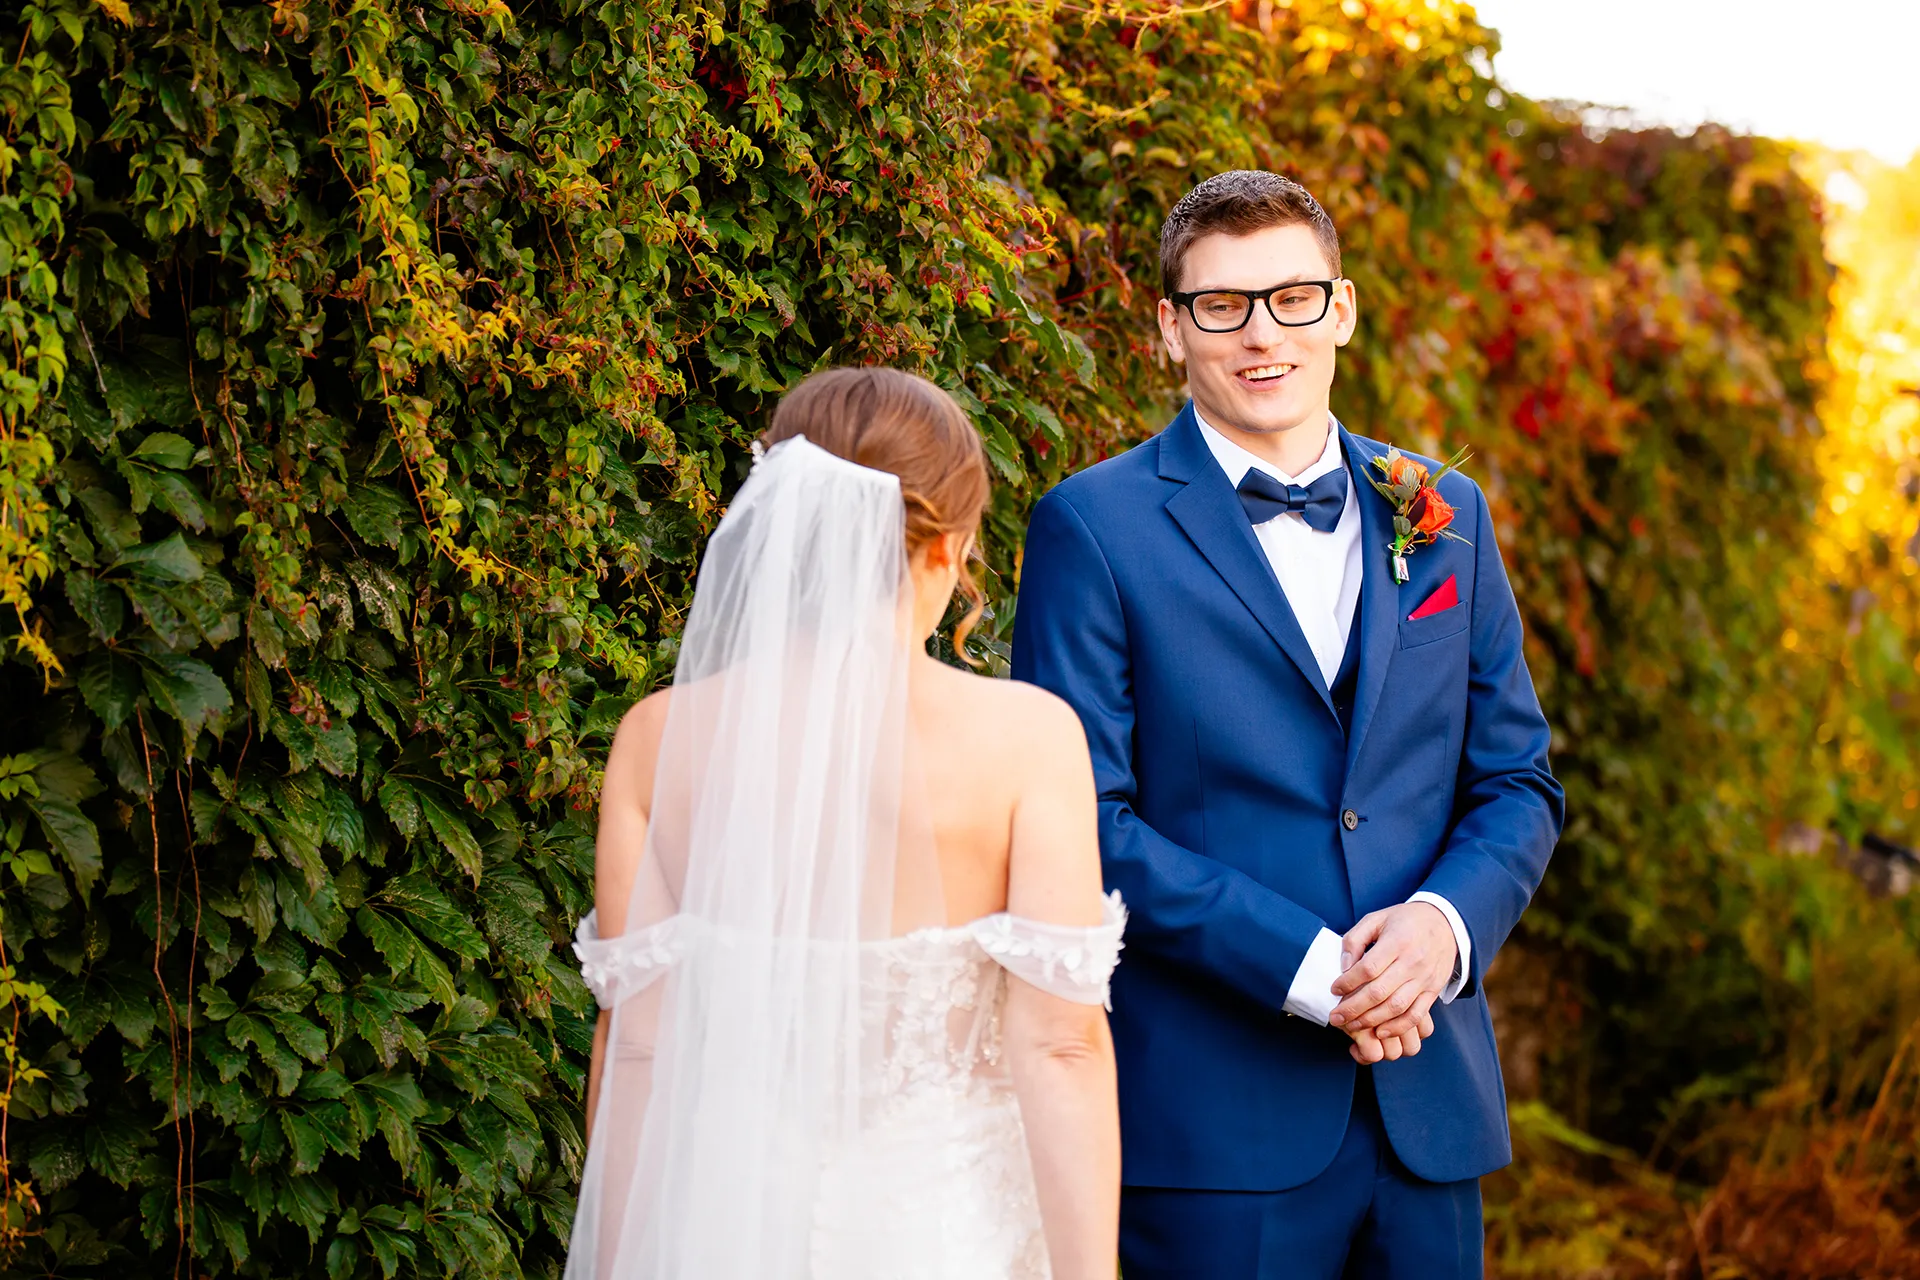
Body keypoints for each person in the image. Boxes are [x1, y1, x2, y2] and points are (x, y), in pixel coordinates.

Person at [1013, 170, 1564, 1278]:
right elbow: (1084, 823)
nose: (1262, 333)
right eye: (1222, 305)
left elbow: (1516, 781)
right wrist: (1317, 969)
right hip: (1216, 1134)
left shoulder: (1444, 512)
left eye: (1293, 297)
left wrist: (1441, 932)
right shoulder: (1092, 526)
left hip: (1428, 1117)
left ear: (1343, 308)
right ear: (1171, 327)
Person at [565, 367, 1125, 1280]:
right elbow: (1059, 1045)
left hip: (722, 1227)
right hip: (938, 1231)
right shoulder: (1027, 740)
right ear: (950, 544)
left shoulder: (656, 740)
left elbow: (637, 1047)